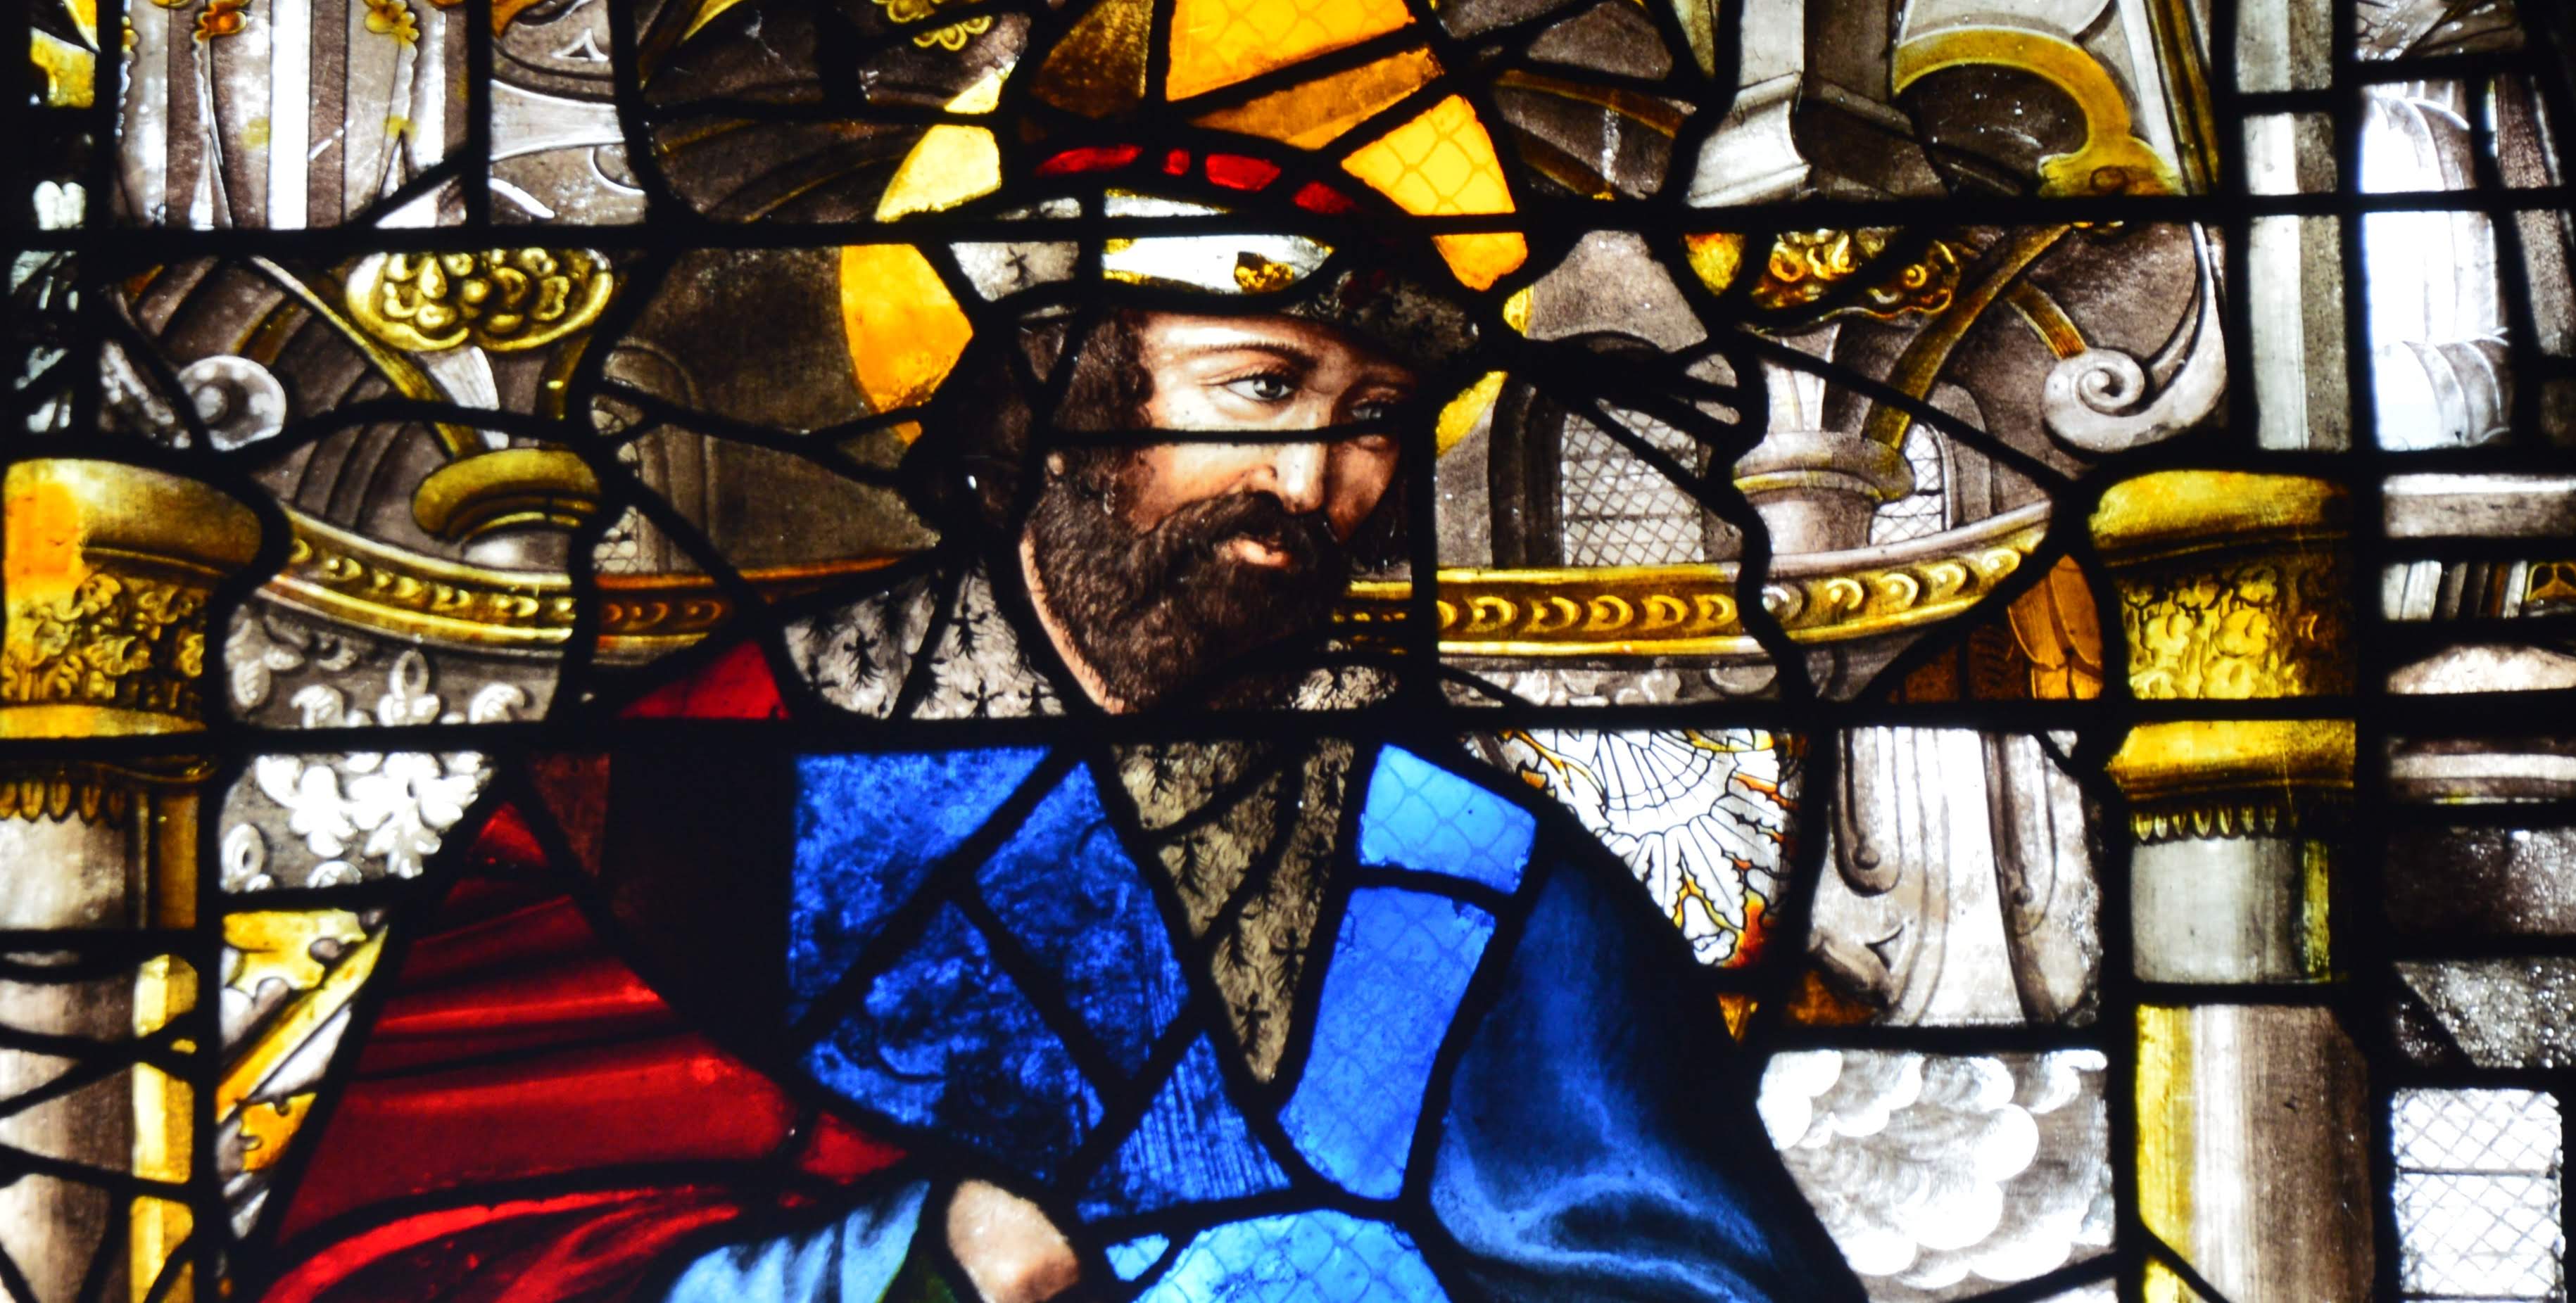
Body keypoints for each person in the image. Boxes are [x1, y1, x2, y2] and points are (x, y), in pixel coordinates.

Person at [255, 151, 1862, 1303]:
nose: (1315, 483)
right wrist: (904, 1265)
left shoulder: (1471, 858)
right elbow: (403, 1257)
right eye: (1257, 388)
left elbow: (1686, 1268)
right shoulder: (701, 782)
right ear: (1058, 391)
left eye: (1373, 421)